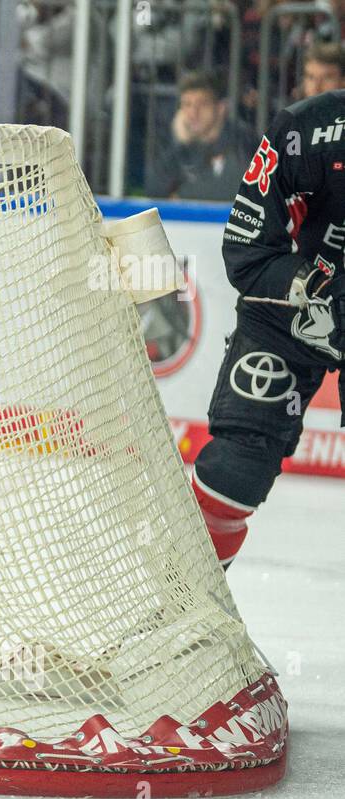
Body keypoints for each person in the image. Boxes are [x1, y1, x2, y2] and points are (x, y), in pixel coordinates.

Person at [194, 89, 345, 567]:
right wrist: (308, 290)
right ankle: (182, 612)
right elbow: (247, 248)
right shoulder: (305, 130)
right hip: (291, 312)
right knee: (232, 475)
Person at [146, 71, 260, 201]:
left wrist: (181, 195)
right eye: (187, 105)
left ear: (221, 108)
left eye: (202, 104)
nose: (193, 113)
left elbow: (232, 191)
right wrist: (180, 145)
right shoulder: (180, 141)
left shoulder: (242, 140)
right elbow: (153, 189)